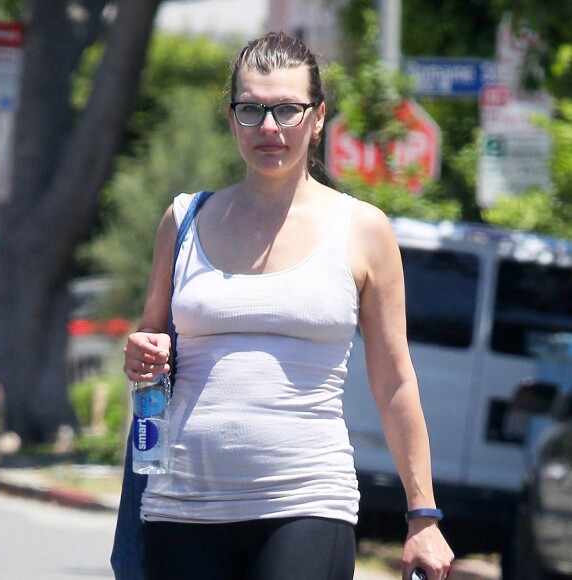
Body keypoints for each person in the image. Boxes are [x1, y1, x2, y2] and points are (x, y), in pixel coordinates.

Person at [114, 31, 454, 580]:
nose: (269, 128)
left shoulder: (363, 229)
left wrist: (423, 515)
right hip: (180, 507)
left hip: (308, 502)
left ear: (317, 118)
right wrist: (141, 353)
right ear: (232, 119)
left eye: (288, 110)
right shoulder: (184, 220)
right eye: (251, 109)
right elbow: (150, 343)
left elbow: (394, 379)